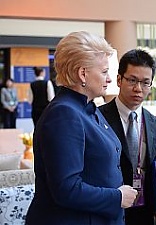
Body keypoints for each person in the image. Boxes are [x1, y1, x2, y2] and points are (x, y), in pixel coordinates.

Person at [25, 31, 138, 225]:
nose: (109, 79)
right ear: (82, 73)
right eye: (104, 72)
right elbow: (66, 189)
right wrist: (117, 198)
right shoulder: (64, 114)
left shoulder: (87, 108)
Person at [99, 49, 156, 225]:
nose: (138, 89)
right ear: (119, 80)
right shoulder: (97, 118)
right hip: (110, 209)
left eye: (145, 83)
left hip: (146, 211)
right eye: (132, 80)